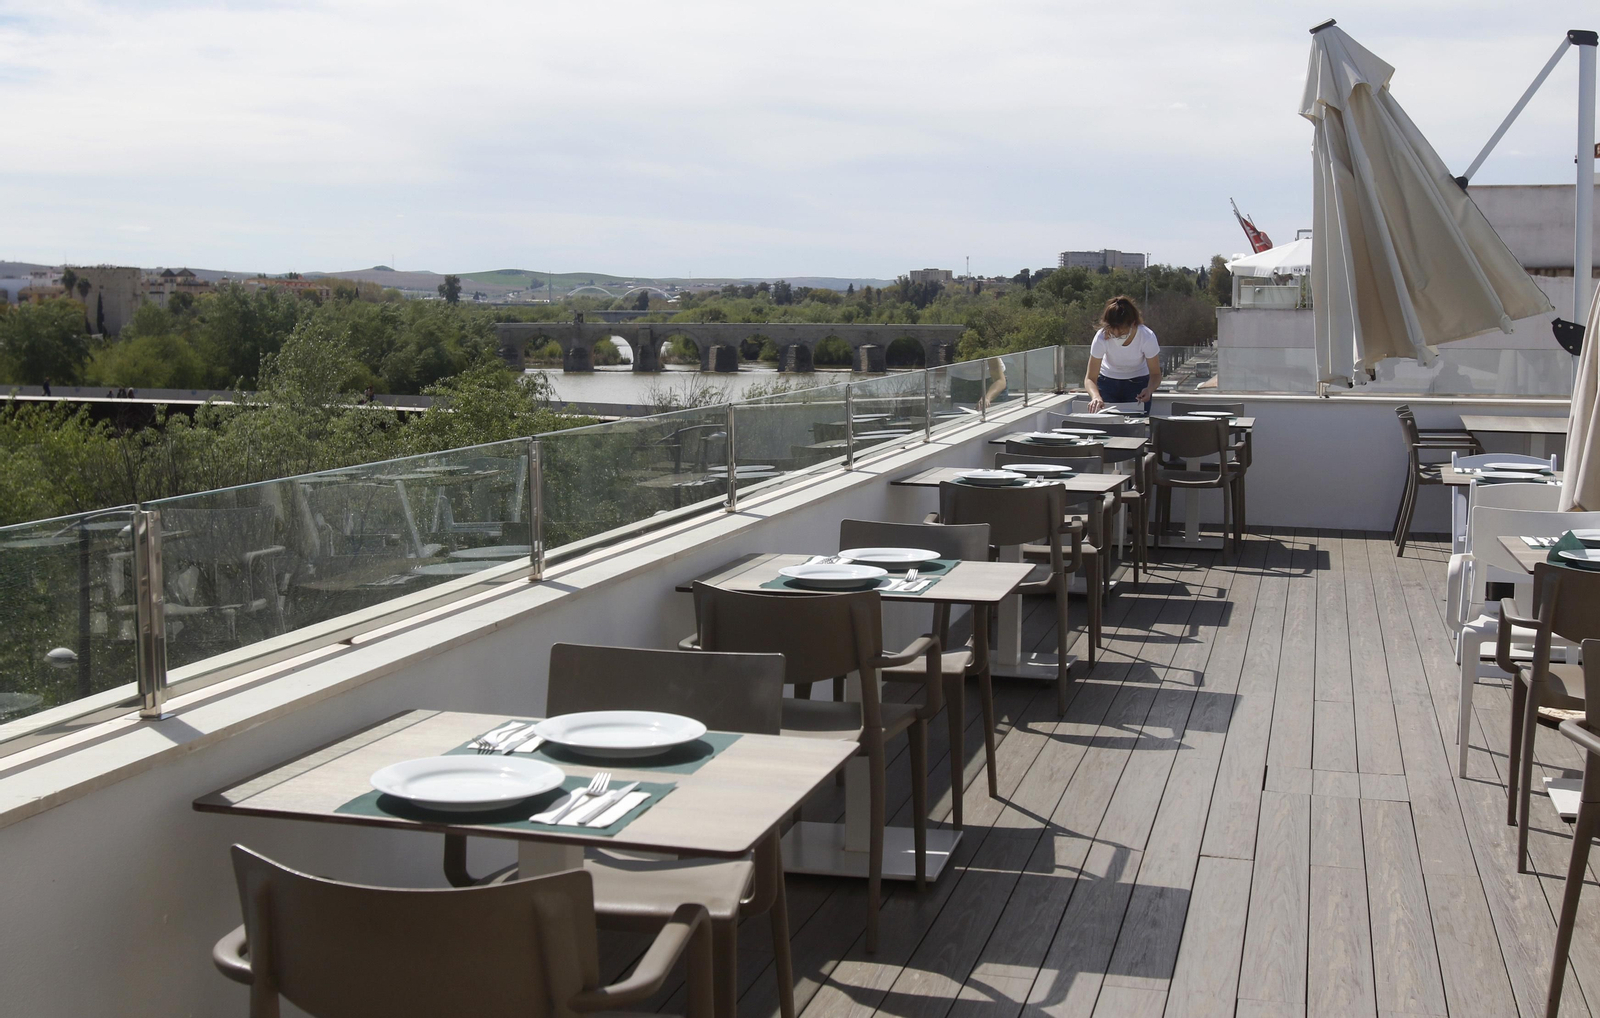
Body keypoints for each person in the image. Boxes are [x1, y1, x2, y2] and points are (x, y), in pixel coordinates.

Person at [1084, 295, 1161, 413]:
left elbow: (1156, 374)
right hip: (1106, 383)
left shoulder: (1147, 337)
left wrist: (1149, 389)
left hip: (1138, 384)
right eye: (1112, 333)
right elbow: (1090, 378)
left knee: (1136, 425)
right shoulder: (1101, 337)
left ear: (1133, 324)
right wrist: (1096, 396)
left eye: (1122, 333)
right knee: (1106, 424)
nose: (1117, 337)